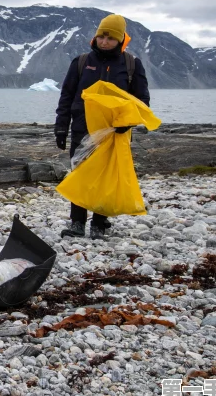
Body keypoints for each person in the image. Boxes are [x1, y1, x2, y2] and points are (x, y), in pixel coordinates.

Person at [54, 13, 150, 240]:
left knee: (106, 178)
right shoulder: (81, 62)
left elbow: (141, 100)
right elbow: (67, 96)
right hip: (82, 129)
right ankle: (77, 224)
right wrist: (60, 127)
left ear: (120, 40)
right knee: (80, 174)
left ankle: (98, 223)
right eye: (101, 37)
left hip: (114, 133)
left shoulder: (131, 64)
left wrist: (126, 124)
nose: (105, 42)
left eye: (110, 38)